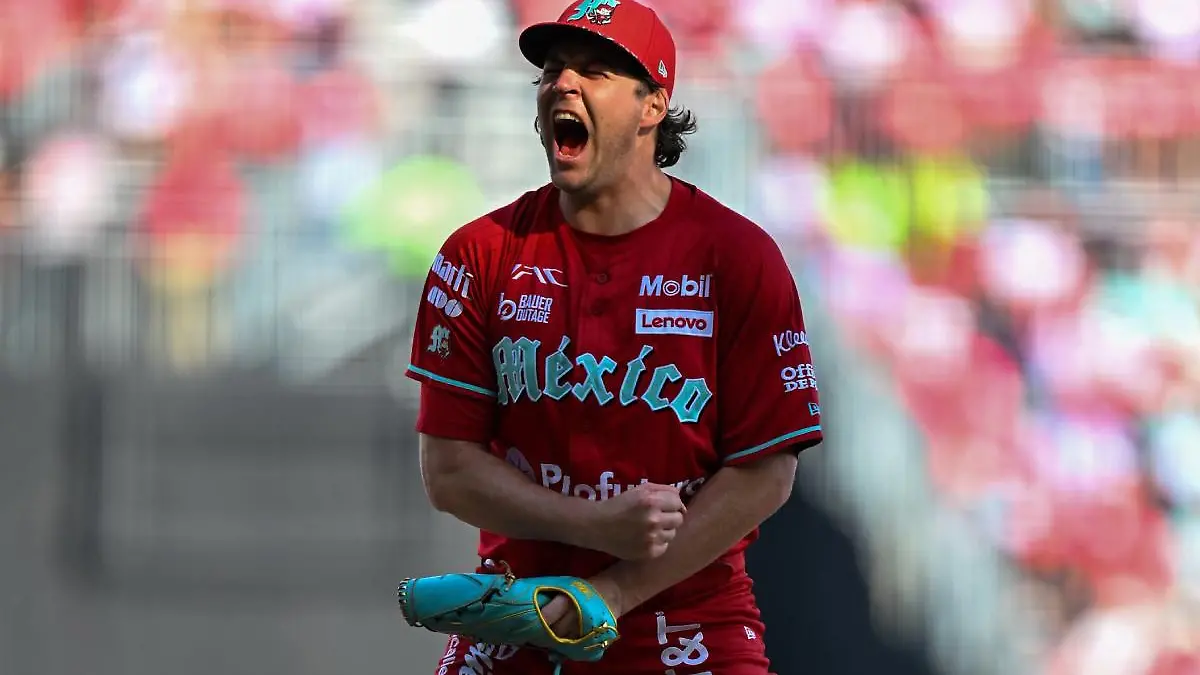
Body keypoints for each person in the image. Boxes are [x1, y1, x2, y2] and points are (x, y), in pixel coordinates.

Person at [405, 0, 823, 672]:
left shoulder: (737, 257)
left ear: (653, 105)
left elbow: (766, 472)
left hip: (686, 617)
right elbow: (449, 470)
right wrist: (591, 524)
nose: (562, 85)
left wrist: (611, 591)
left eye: (594, 72)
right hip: (520, 609)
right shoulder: (478, 254)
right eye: (552, 71)